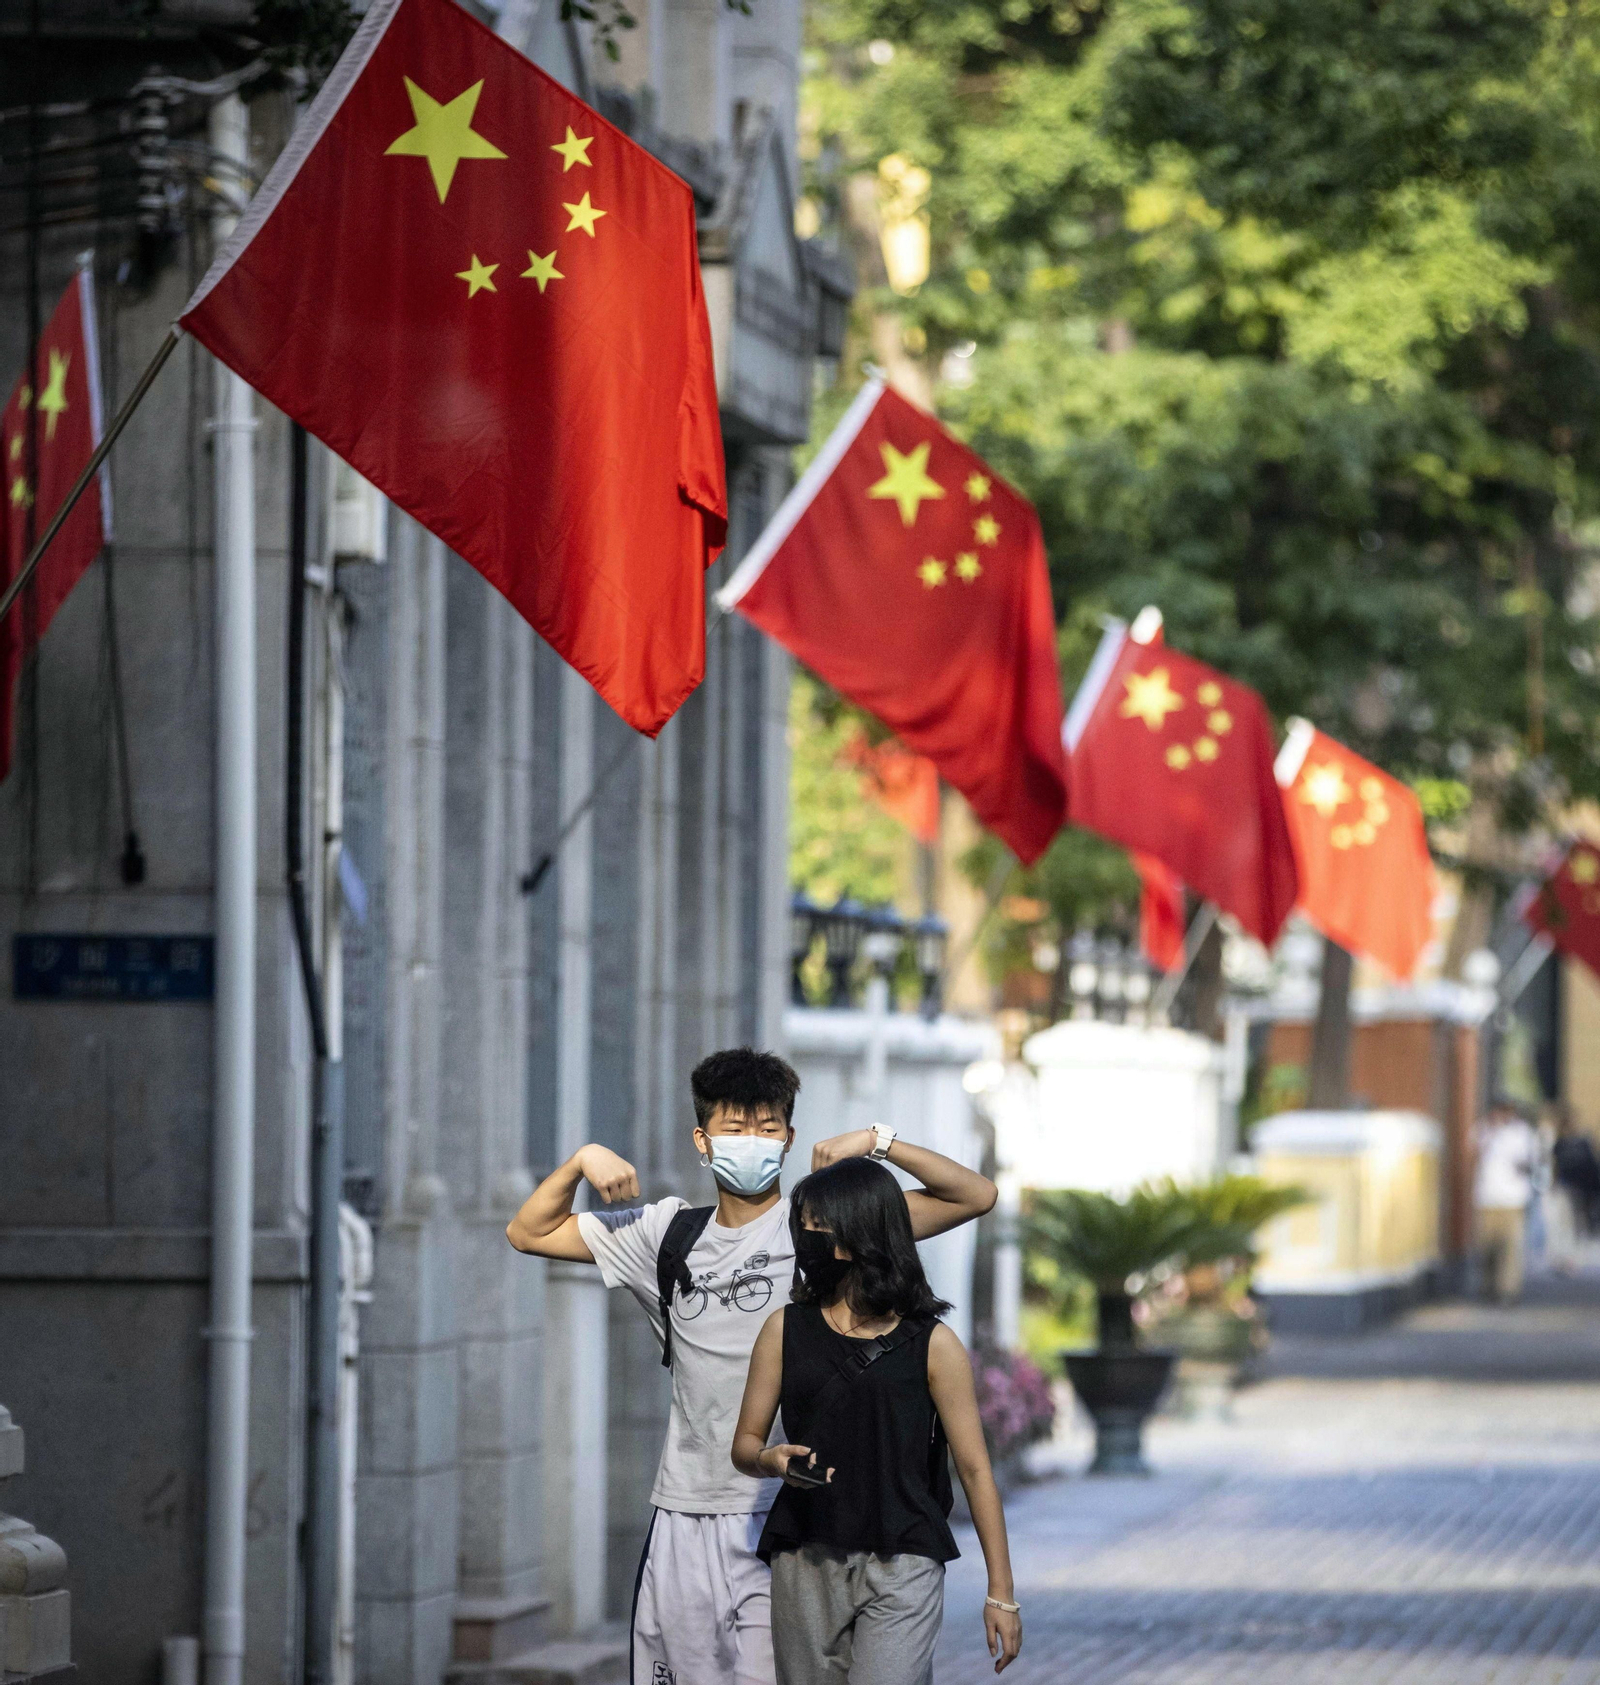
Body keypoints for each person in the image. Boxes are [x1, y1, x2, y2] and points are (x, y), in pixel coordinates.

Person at [505, 1047, 997, 1685]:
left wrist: (878, 1141)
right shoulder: (665, 1234)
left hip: (791, 1520)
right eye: (735, 1128)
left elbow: (975, 1195)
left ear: (790, 1139)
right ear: (703, 1139)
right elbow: (528, 1232)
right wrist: (579, 1161)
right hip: (683, 1510)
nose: (752, 1142)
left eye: (768, 1130)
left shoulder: (823, 1229)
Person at [731, 1158, 1022, 1685]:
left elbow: (976, 1470)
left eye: (817, 1223)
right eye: (803, 1224)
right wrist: (771, 1460)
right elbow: (745, 1445)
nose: (805, 1236)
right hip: (806, 1554)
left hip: (904, 1558)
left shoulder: (933, 1343)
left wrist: (1001, 1593)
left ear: (860, 1231)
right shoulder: (784, 1329)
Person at [1473, 1097, 1541, 1302]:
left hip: (1513, 1199)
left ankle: (1508, 1291)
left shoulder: (1523, 1134)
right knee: (1487, 1248)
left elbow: (1533, 1162)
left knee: (1510, 1250)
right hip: (1486, 1198)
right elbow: (1474, 1152)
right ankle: (1489, 1286)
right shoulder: (1484, 1129)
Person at [1549, 1105, 1600, 1271]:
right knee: (1565, 1223)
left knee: (1577, 1222)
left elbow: (1591, 1165)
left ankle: (1574, 1258)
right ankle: (1565, 1257)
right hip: (1567, 1187)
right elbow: (1555, 1166)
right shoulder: (1561, 1143)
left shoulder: (1582, 1142)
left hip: (1581, 1188)